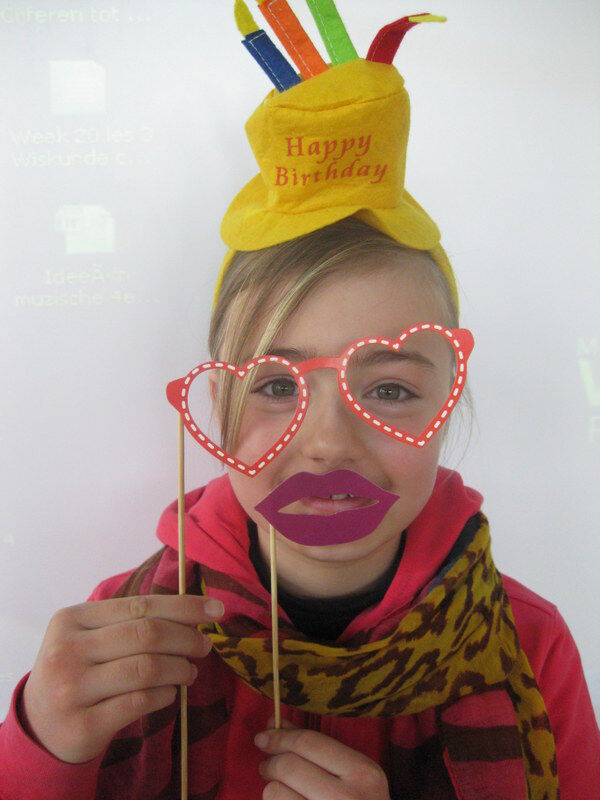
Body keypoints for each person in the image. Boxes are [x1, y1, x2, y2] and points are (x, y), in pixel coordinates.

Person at [1, 6, 599, 800]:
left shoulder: (528, 642)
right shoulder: (128, 632)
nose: (327, 443)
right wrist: (40, 744)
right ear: (219, 402)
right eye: (278, 386)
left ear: (447, 404)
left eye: (389, 389)